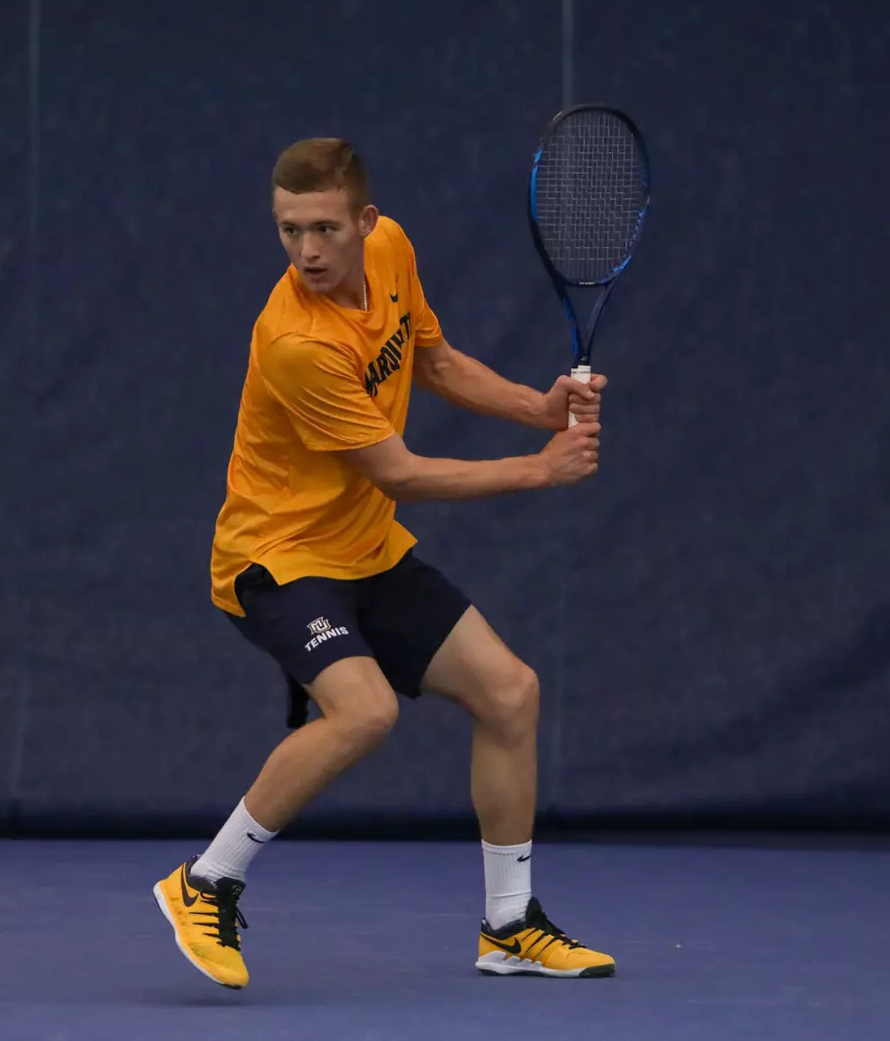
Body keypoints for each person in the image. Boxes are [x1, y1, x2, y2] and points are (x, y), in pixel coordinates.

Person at [153, 137, 614, 988]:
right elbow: (399, 471)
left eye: (325, 228)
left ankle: (508, 926)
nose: (307, 251)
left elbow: (432, 360)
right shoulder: (297, 340)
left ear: (367, 220)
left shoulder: (393, 251)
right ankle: (205, 879)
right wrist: (541, 468)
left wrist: (537, 409)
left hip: (364, 548)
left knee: (511, 692)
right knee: (364, 711)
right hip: (278, 559)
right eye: (289, 231)